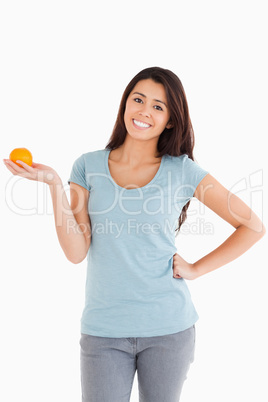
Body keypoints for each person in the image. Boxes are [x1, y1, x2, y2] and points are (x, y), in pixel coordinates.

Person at [3, 66, 266, 402]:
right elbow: (75, 252)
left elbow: (253, 226)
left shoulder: (182, 170)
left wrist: (197, 268)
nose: (144, 111)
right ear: (125, 105)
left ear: (170, 119)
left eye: (158, 106)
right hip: (104, 331)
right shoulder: (87, 166)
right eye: (138, 100)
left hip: (169, 329)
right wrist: (55, 185)